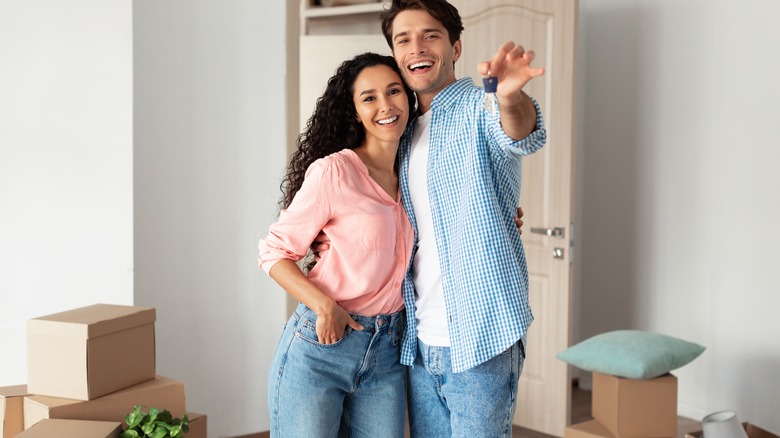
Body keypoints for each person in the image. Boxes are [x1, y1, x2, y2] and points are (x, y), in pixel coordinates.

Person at [380, 0, 547, 436]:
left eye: (430, 35)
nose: (417, 46)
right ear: (396, 55)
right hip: (418, 340)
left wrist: (509, 96)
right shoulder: (400, 132)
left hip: (480, 334)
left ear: (455, 47)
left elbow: (517, 132)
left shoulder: (481, 107)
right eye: (403, 38)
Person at [257, 52, 417, 438]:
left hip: (388, 351)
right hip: (322, 346)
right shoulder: (335, 171)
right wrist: (324, 305)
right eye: (369, 97)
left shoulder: (416, 169)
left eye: (394, 91)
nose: (385, 105)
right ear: (355, 111)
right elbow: (274, 252)